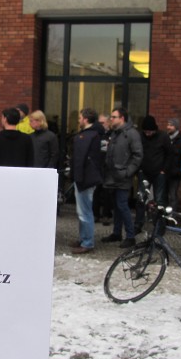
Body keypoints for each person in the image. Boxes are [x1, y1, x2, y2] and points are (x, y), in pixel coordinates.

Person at [101, 107, 143, 249]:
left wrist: (127, 172)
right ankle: (117, 233)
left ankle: (130, 236)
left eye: (114, 117)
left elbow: (138, 155)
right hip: (112, 175)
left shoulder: (131, 134)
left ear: (122, 118)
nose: (111, 119)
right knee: (117, 206)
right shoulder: (115, 133)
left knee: (122, 205)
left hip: (123, 176)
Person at [71, 108, 103, 254]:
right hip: (85, 178)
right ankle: (84, 239)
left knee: (84, 212)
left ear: (86, 119)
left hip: (84, 178)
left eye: (80, 118)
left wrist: (77, 177)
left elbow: (80, 158)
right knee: (83, 211)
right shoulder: (92, 135)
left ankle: (87, 242)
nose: (78, 120)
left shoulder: (87, 136)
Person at [134, 115, 171, 234]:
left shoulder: (163, 136)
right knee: (141, 199)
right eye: (146, 131)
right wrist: (139, 169)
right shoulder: (140, 136)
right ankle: (138, 224)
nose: (148, 134)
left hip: (159, 173)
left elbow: (169, 154)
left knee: (160, 201)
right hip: (144, 172)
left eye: (150, 131)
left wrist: (164, 170)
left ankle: (159, 226)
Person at [93, 114, 113, 225]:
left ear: (108, 122)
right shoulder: (96, 134)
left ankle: (106, 214)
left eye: (102, 122)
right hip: (98, 165)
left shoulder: (113, 134)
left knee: (107, 192)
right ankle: (95, 214)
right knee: (96, 191)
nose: (100, 125)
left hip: (108, 167)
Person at [166, 118, 181, 212]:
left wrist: (179, 170)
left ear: (176, 127)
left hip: (175, 172)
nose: (168, 127)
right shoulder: (166, 137)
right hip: (165, 171)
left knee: (172, 195)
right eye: (168, 125)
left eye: (171, 125)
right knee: (164, 195)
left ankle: (172, 215)